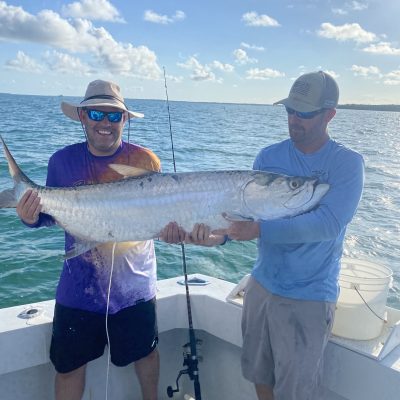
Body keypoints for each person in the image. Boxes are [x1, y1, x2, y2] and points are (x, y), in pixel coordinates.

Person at [185, 71, 365, 400]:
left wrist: (259, 230)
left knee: (295, 390)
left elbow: (328, 224)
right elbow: (240, 219)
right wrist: (212, 238)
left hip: (309, 296)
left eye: (305, 113)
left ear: (330, 115)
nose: (295, 119)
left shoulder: (347, 164)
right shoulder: (269, 157)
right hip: (261, 286)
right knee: (258, 374)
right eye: (290, 110)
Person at [16, 80, 182, 400]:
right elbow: (49, 215)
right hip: (78, 289)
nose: (105, 123)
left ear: (124, 120)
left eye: (114, 116)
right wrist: (29, 216)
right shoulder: (61, 162)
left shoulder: (147, 161)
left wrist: (176, 232)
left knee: (146, 356)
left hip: (134, 289)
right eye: (96, 113)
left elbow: (160, 217)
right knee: (68, 367)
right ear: (82, 116)